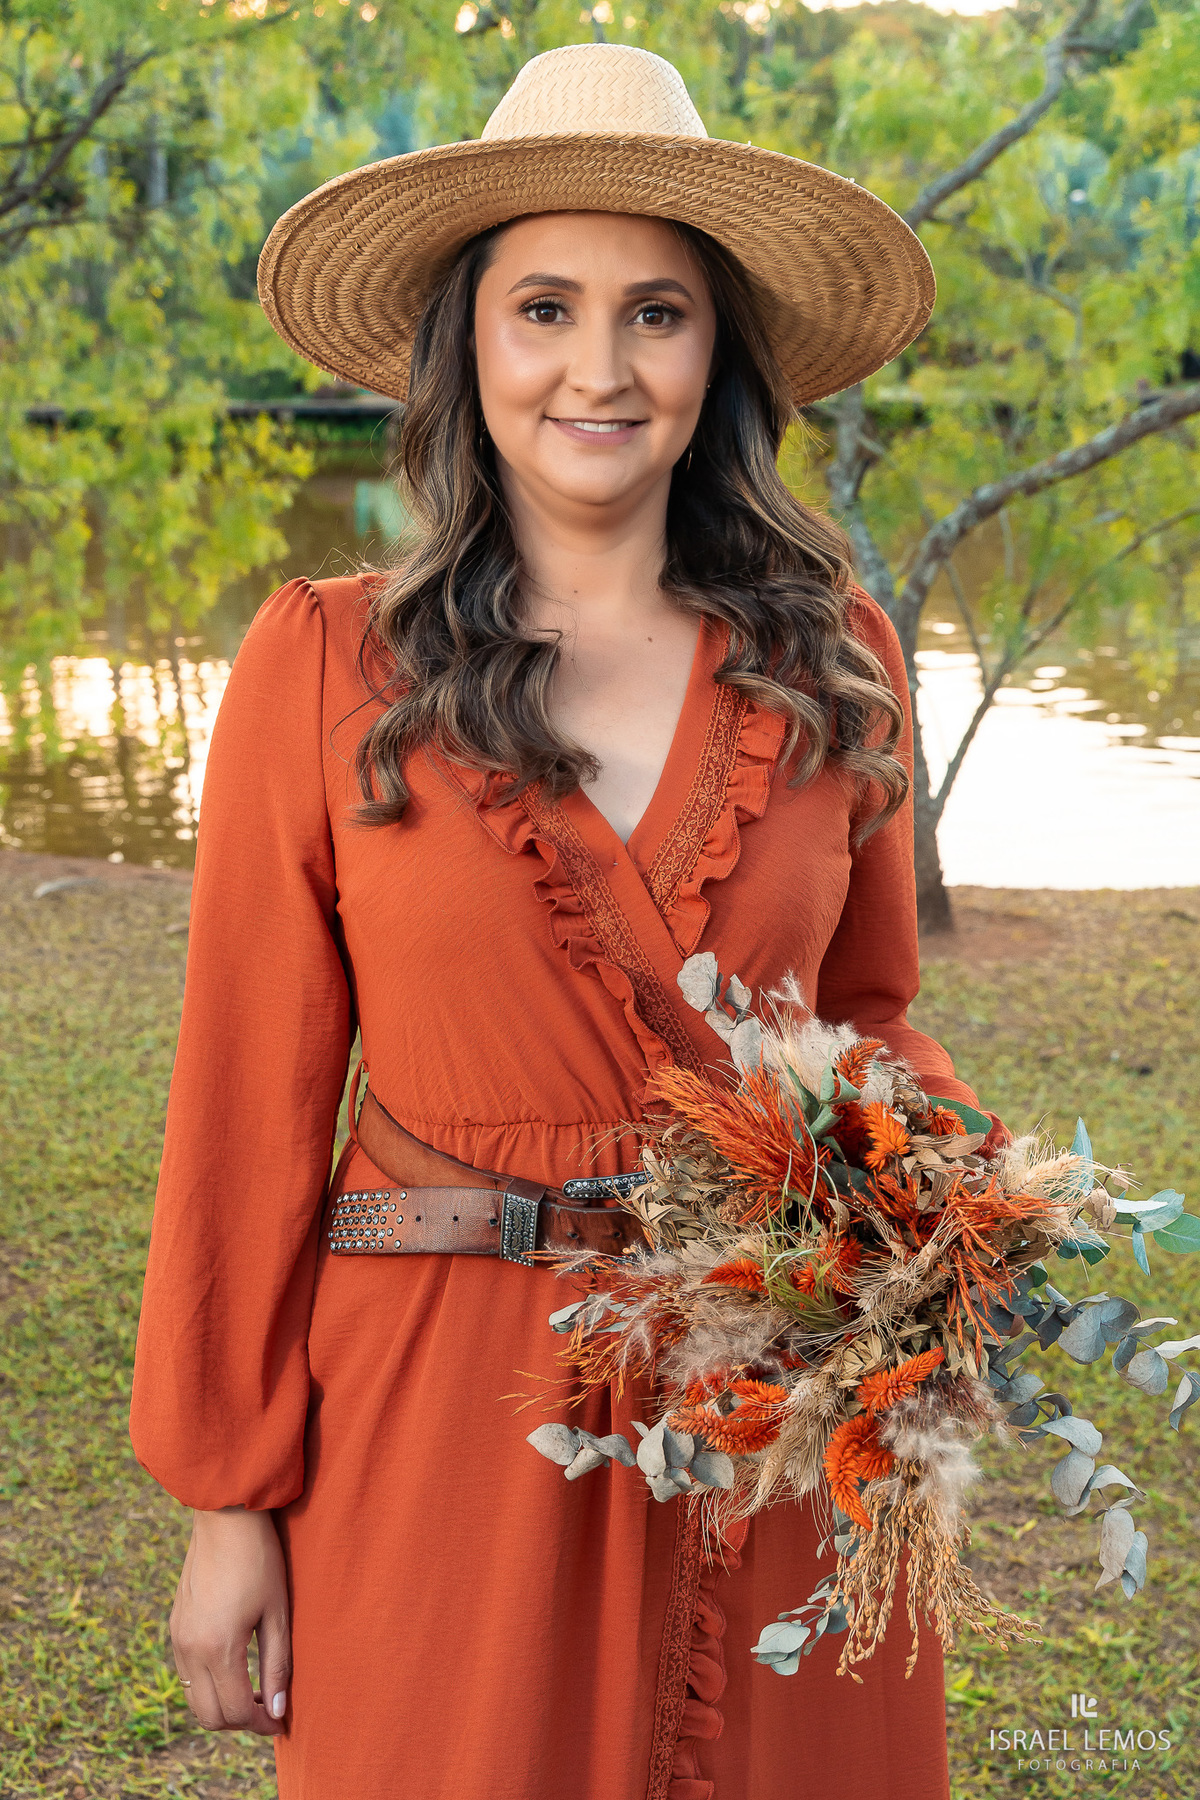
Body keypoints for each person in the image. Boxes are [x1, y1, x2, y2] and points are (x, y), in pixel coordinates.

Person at [131, 41, 991, 1800]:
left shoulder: (836, 664)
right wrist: (231, 1498)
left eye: (657, 315)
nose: (599, 369)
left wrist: (939, 1241)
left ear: (718, 356)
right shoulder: (323, 666)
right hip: (439, 1405)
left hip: (770, 1404)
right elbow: (245, 1108)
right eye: (544, 307)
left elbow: (874, 1021)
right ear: (469, 344)